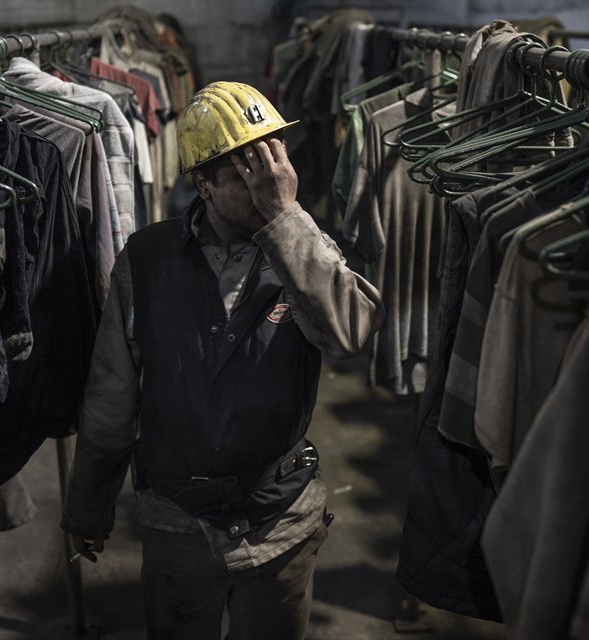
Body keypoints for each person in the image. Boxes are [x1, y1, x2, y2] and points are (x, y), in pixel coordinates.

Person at [61, 81, 383, 640]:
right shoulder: (148, 259)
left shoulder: (303, 249)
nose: (268, 186)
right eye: (245, 175)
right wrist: (90, 506)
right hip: (178, 522)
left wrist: (286, 218)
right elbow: (112, 394)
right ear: (201, 184)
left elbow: (351, 331)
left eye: (274, 166)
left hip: (279, 520)